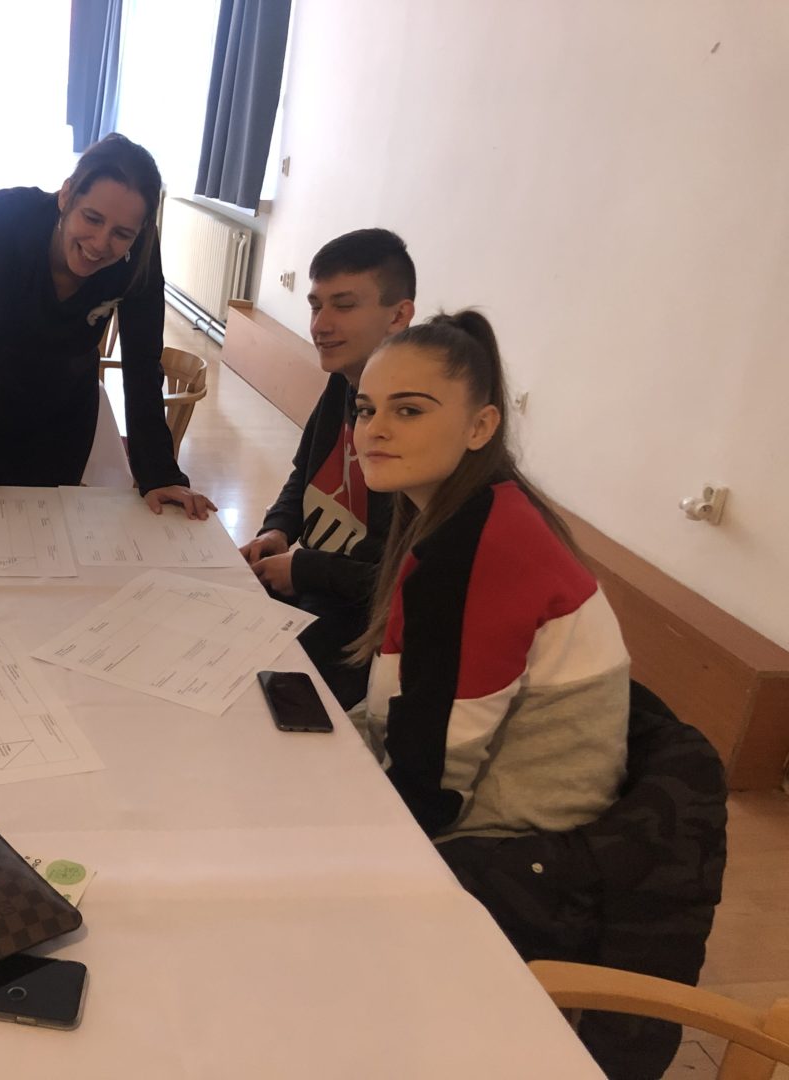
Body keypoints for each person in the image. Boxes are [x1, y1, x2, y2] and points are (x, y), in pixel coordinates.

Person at [347, 310, 629, 841]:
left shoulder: (480, 547)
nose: (375, 429)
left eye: (408, 410)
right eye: (366, 409)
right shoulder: (472, 511)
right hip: (484, 804)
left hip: (511, 836)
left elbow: (435, 788)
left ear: (480, 427)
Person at [0, 133, 214, 520]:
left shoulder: (140, 254)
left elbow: (142, 363)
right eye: (92, 218)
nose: (100, 243)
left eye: (122, 234)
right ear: (66, 195)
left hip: (67, 406)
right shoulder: (3, 220)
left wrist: (159, 474)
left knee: (46, 526)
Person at [240, 229, 415, 708]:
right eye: (316, 306)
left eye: (344, 305)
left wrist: (305, 568)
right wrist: (278, 529)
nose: (321, 325)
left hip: (360, 624)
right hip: (319, 587)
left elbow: (399, 580)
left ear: (398, 315)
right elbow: (306, 474)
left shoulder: (413, 430)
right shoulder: (343, 383)